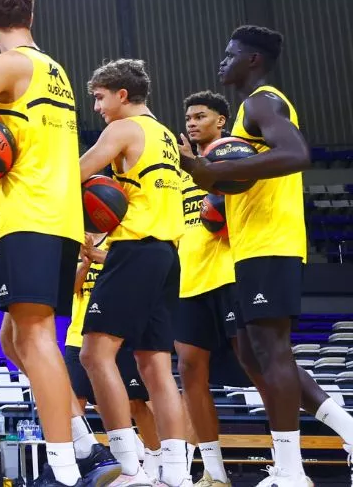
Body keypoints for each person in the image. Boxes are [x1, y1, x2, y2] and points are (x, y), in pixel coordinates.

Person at [180, 26, 353, 485]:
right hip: (254, 244)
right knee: (263, 356)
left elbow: (297, 153)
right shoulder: (246, 113)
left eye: (230, 54)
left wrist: (215, 169)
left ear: (253, 60)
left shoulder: (261, 102)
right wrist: (213, 175)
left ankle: (291, 473)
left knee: (273, 355)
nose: (223, 61)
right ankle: (332, 441)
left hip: (271, 242)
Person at [0, 0, 91, 487]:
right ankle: (80, 436)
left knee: (33, 335)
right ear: (30, 16)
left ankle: (65, 464)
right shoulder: (56, 70)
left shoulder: (7, 64)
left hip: (30, 216)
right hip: (63, 218)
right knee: (13, 337)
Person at [77, 59, 189, 487]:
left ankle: (129, 467)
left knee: (94, 354)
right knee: (156, 367)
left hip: (136, 249)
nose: (98, 107)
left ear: (122, 95)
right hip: (166, 254)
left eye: (100, 97)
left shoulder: (123, 129)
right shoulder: (163, 133)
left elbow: (76, 174)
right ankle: (175, 475)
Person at [174, 91, 238, 487]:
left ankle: (291, 463)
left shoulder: (237, 159)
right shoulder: (181, 172)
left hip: (231, 274)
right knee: (190, 372)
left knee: (265, 369)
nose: (193, 122)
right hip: (187, 282)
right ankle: (215, 475)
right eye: (189, 117)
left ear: (222, 122)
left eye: (201, 116)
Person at [67, 236, 158, 481]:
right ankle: (89, 459)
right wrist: (84, 263)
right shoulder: (75, 245)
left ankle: (155, 461)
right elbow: (68, 292)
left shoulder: (121, 238)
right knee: (74, 400)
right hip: (79, 336)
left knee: (136, 404)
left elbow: (138, 275)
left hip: (118, 334)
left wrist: (103, 256)